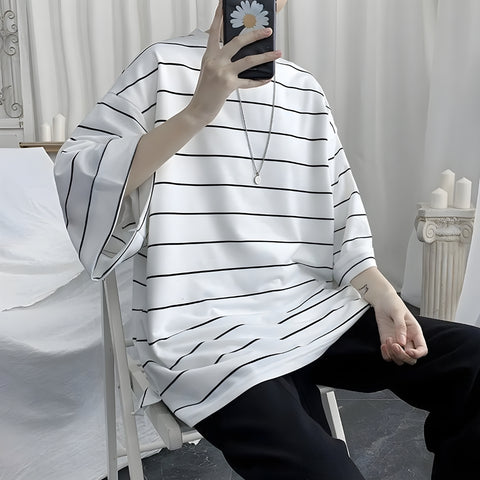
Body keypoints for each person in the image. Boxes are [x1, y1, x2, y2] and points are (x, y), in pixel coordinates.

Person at [54, 1, 480, 478]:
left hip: (312, 312)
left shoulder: (304, 89)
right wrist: (197, 111)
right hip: (203, 331)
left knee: (474, 361)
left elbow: (341, 215)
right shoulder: (160, 66)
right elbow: (79, 171)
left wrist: (383, 294)